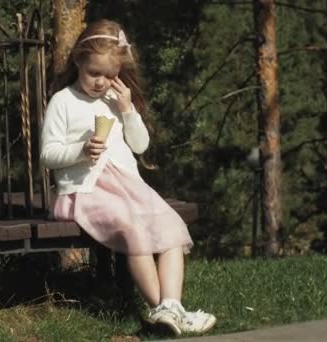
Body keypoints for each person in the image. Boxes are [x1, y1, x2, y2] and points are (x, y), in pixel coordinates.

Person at [40, 19, 216, 336]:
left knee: (171, 226)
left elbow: (140, 145)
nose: (101, 82)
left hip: (127, 186)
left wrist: (127, 111)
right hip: (85, 192)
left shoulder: (115, 100)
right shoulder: (63, 101)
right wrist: (81, 151)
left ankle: (171, 306)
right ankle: (160, 307)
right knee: (132, 227)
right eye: (95, 73)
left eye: (109, 76)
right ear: (79, 60)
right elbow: (48, 154)